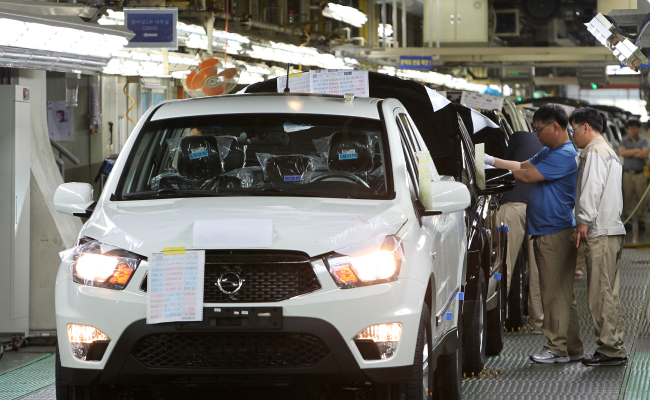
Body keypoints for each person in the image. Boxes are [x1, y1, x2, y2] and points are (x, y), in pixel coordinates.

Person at [484, 104, 583, 364]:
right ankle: (573, 347)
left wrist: (486, 175)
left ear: (555, 127)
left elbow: (526, 176)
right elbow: (520, 164)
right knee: (562, 293)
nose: (536, 135)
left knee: (552, 293)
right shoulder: (552, 151)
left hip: (554, 231)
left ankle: (556, 348)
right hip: (550, 229)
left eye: (539, 130)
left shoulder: (564, 154)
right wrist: (490, 161)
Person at [571, 108, 628, 366]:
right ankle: (611, 345)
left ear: (585, 127)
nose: (572, 136)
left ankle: (611, 350)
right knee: (607, 292)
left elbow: (592, 188)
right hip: (611, 229)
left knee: (601, 293)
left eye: (573, 129)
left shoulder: (594, 151)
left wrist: (582, 220)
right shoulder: (608, 151)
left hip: (601, 231)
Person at [495, 131, 544, 334]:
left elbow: (509, 165)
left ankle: (498, 319)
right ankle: (539, 323)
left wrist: (489, 160)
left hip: (513, 206)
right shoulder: (557, 148)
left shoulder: (518, 137)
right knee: (538, 269)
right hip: (539, 209)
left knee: (503, 266)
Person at [619, 119, 649, 230]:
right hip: (627, 174)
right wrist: (637, 150)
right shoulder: (624, 141)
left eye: (635, 128)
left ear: (639, 129)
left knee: (642, 197)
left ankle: (641, 220)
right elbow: (622, 152)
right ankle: (629, 221)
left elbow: (644, 154)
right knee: (627, 198)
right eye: (630, 128)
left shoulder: (645, 141)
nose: (632, 130)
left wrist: (629, 153)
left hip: (640, 174)